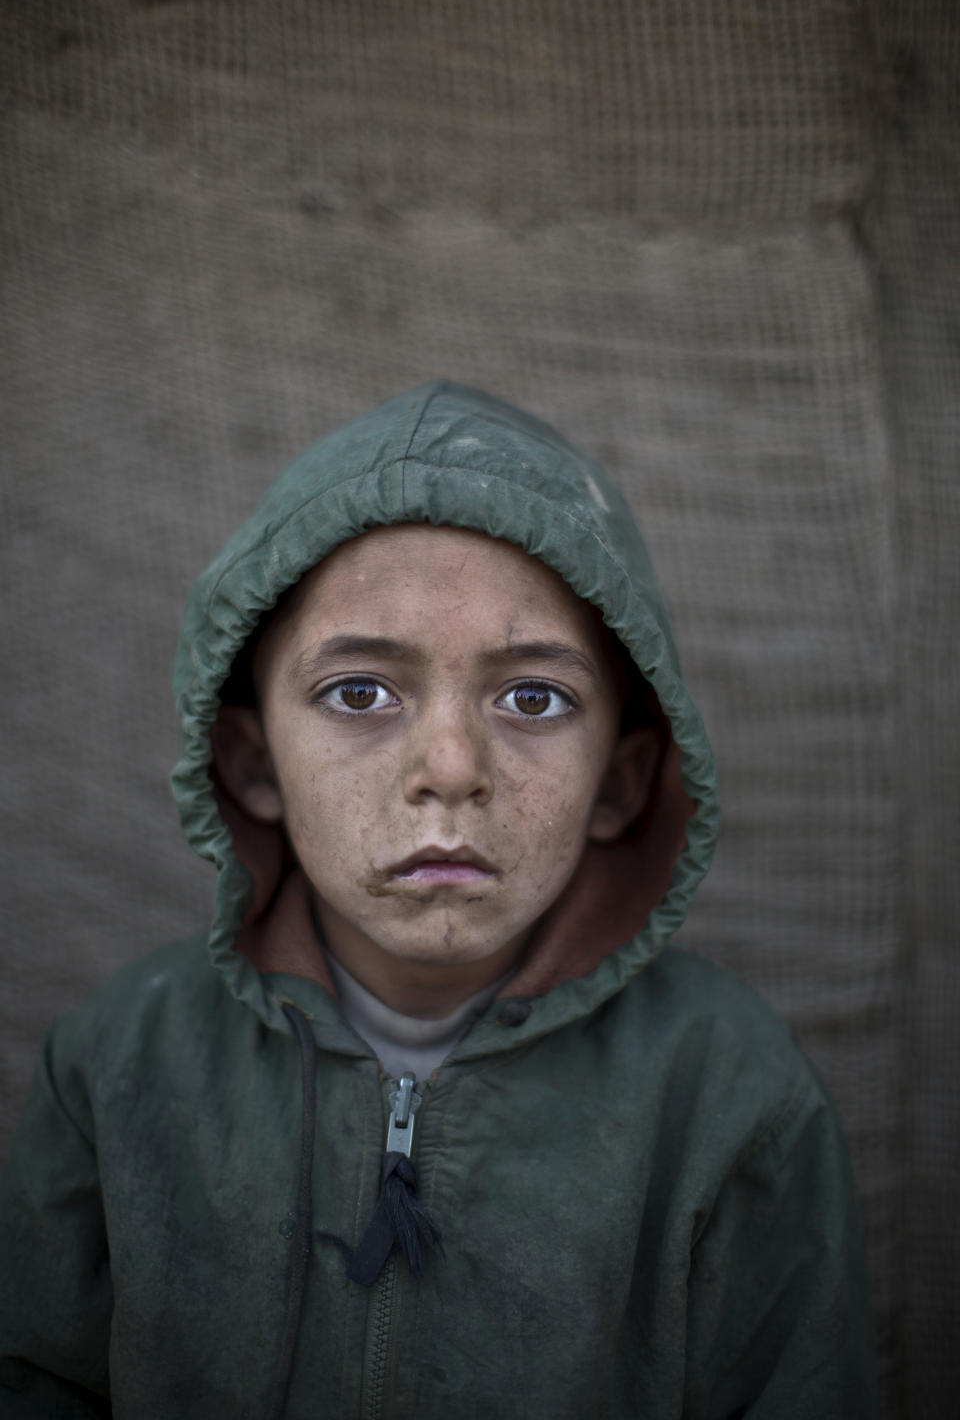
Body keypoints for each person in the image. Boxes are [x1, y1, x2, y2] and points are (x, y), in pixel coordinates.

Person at [0, 381, 877, 1418]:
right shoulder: (116, 1068)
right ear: (251, 765)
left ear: (626, 781)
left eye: (534, 697)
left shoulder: (731, 1096)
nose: (451, 767)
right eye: (360, 692)